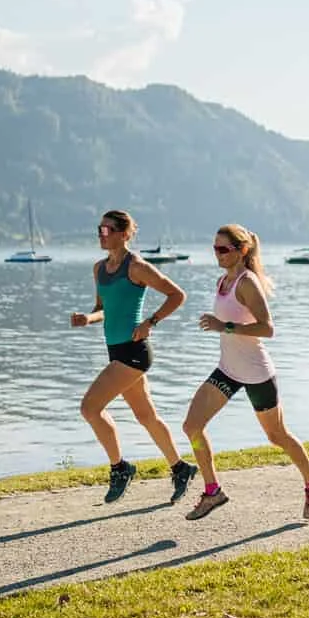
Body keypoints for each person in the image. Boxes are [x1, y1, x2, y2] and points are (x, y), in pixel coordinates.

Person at [180, 224, 309, 520]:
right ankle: (212, 491)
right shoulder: (222, 281)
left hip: (257, 375)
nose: (218, 254)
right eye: (215, 249)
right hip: (228, 371)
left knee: (277, 436)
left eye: (224, 249)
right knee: (192, 427)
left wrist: (225, 327)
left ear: (242, 250)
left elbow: (267, 328)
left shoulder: (247, 283)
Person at [69, 209, 200, 503]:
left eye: (108, 230)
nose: (102, 235)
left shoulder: (137, 267)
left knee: (90, 408)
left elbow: (177, 295)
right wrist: (87, 319)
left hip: (134, 352)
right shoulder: (99, 269)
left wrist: (150, 322)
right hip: (115, 351)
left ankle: (120, 468)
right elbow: (105, 309)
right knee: (146, 415)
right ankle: (180, 468)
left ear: (125, 233)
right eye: (99, 230)